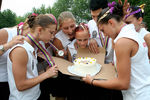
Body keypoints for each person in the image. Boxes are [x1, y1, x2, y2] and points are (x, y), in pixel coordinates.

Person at [83, 2, 150, 100]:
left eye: (102, 30)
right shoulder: (131, 32)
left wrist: (92, 81)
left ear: (111, 23)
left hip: (138, 95)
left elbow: (123, 83)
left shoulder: (123, 42)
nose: (104, 35)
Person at [7, 14, 58, 100]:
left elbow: (30, 75)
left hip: (35, 96)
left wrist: (46, 72)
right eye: (51, 32)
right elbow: (20, 85)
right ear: (40, 30)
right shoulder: (21, 50)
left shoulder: (32, 47)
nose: (53, 36)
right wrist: (46, 74)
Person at [0, 15, 30, 100]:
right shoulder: (5, 33)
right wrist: (10, 44)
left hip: (14, 83)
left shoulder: (30, 39)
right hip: (2, 81)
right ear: (26, 27)